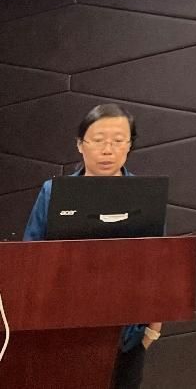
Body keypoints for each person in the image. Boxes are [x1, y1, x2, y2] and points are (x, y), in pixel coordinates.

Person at [23, 103, 163, 389]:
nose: (108, 150)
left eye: (118, 140)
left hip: (126, 332)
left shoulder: (146, 195)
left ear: (130, 145)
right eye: (98, 140)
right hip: (62, 329)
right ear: (80, 144)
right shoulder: (54, 192)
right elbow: (30, 256)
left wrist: (152, 330)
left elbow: (158, 265)